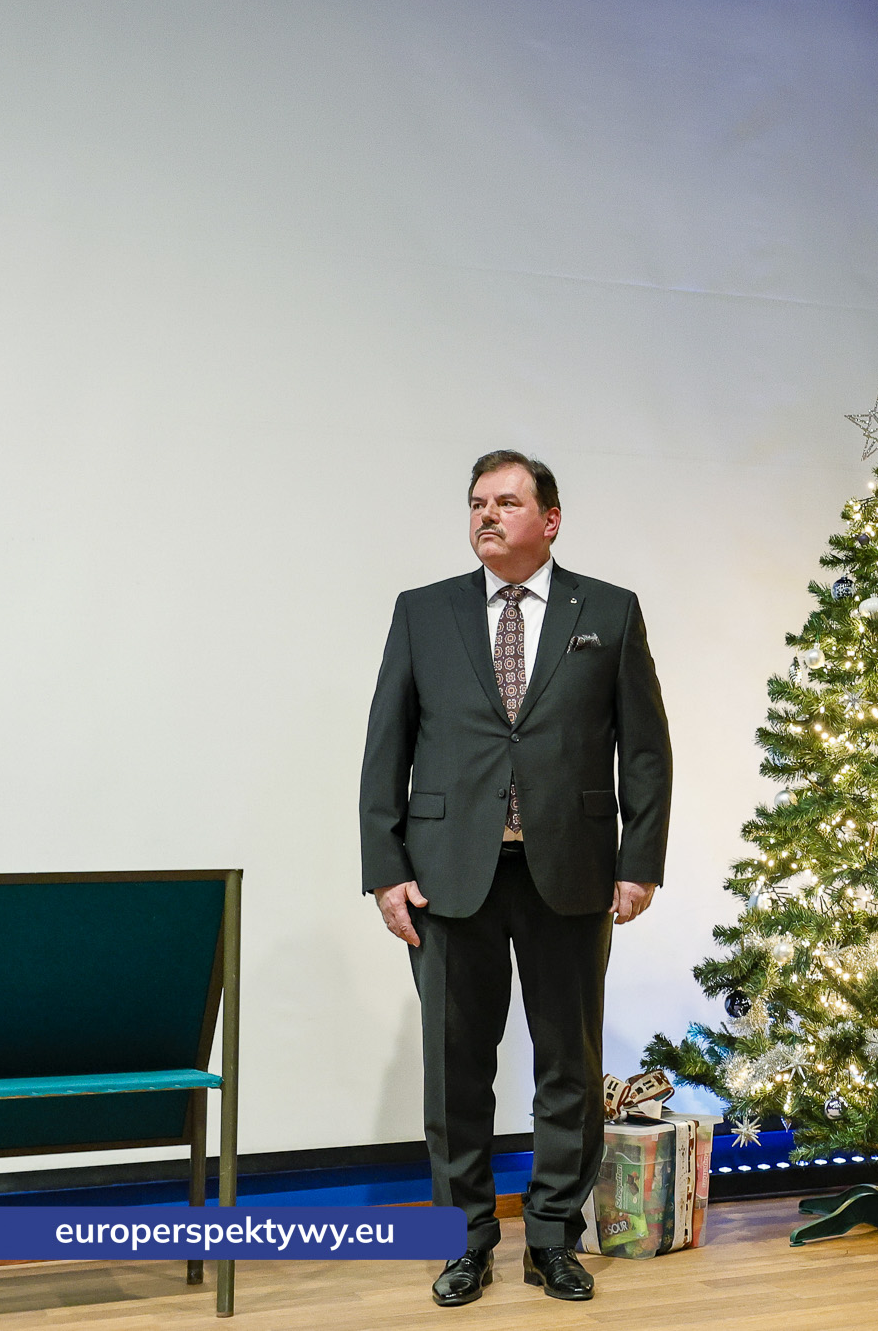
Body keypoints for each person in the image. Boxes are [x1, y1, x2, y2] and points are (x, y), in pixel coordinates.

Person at [360, 450, 672, 1307]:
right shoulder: (422, 613)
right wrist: (385, 870)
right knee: (456, 1069)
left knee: (567, 1065)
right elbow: (385, 745)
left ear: (550, 519)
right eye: (476, 503)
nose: (486, 515)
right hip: (446, 876)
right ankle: (461, 1240)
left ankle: (550, 1238)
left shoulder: (607, 610)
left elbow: (644, 750)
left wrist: (638, 861)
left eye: (505, 502)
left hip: (568, 870)